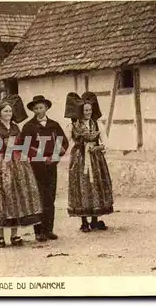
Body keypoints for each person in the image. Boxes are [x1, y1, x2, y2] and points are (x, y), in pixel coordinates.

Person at [0, 102, 43, 248]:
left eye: (10, 110)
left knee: (15, 200)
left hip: (15, 166)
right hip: (0, 166)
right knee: (1, 202)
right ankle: (0, 236)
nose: (8, 113)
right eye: (5, 111)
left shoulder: (16, 128)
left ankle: (15, 235)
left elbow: (21, 147)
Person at [21, 95, 69, 242]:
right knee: (38, 197)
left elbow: (63, 143)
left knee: (50, 197)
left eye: (41, 107)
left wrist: (53, 158)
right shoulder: (29, 126)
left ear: (46, 108)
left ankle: (49, 229)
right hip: (36, 166)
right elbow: (24, 146)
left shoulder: (54, 125)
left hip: (51, 166)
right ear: (33, 110)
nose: (39, 110)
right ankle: (38, 231)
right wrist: (40, 157)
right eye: (36, 108)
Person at [67, 92, 113, 232]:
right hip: (80, 158)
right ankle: (84, 221)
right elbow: (65, 142)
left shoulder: (97, 124)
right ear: (80, 111)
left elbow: (107, 143)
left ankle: (94, 219)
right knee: (82, 186)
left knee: (96, 186)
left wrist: (98, 147)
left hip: (95, 159)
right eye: (85, 110)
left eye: (89, 110)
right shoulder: (73, 125)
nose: (88, 112)